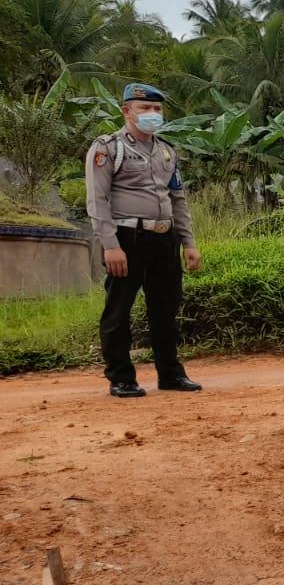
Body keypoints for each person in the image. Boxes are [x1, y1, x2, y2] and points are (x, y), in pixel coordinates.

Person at [84, 83, 203, 397]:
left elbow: (178, 200)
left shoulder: (166, 151)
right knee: (119, 310)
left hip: (165, 238)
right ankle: (122, 378)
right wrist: (111, 245)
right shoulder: (108, 148)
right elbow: (97, 200)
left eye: (157, 109)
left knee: (165, 309)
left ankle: (171, 374)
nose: (153, 114)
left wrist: (188, 242)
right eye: (145, 108)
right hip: (127, 237)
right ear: (126, 111)